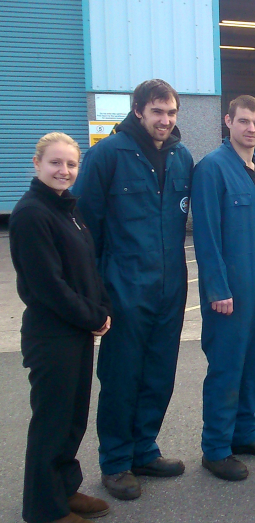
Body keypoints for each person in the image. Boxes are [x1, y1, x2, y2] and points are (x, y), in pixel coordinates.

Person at [74, 79, 193, 499]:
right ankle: (116, 461)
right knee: (122, 377)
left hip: (170, 288)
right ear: (138, 110)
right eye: (157, 111)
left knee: (159, 373)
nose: (165, 120)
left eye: (171, 113)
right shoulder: (106, 155)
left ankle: (145, 448)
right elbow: (85, 232)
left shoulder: (182, 157)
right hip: (123, 288)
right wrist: (95, 293)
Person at [10, 133, 112, 523]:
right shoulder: (31, 214)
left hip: (75, 332)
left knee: (72, 419)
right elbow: (47, 285)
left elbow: (88, 265)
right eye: (55, 163)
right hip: (52, 335)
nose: (63, 170)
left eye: (70, 164)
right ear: (36, 165)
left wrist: (102, 306)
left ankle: (64, 489)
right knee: (51, 423)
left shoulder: (67, 208)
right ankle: (44, 509)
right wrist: (92, 316)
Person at [191, 95, 255, 480]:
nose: (252, 128)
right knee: (227, 366)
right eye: (244, 121)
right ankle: (215, 448)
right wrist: (216, 289)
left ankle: (244, 433)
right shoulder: (212, 169)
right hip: (230, 291)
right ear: (228, 121)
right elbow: (206, 235)